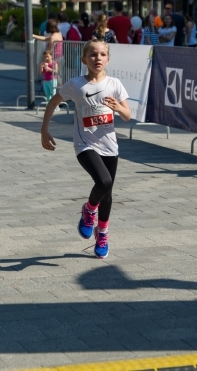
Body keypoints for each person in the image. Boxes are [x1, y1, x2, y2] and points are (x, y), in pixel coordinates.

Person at [40, 40, 131, 259]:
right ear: (84, 60)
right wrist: (44, 131)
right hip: (85, 144)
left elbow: (127, 115)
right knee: (104, 182)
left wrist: (118, 107)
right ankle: (89, 210)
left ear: (107, 59)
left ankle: (103, 233)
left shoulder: (115, 84)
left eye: (102, 55)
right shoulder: (76, 85)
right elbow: (53, 103)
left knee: (107, 194)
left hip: (110, 146)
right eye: (92, 55)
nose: (97, 58)